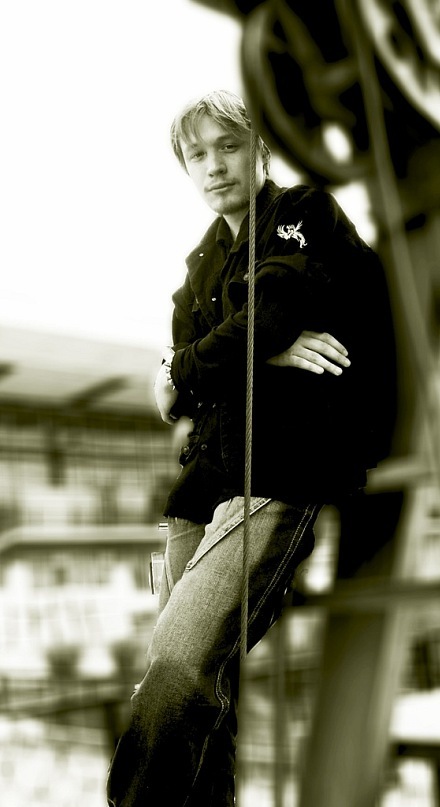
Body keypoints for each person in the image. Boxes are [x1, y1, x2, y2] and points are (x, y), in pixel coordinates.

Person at [107, 90, 396, 806]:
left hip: (275, 472)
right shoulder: (200, 263)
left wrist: (200, 361)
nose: (214, 166)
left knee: (176, 669)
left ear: (259, 148)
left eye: (229, 146)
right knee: (204, 694)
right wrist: (256, 355)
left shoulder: (302, 214)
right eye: (196, 154)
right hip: (198, 489)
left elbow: (262, 320)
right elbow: (175, 394)